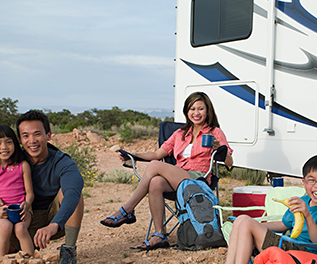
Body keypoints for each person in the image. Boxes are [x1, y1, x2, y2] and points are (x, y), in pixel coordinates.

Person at [100, 92, 233, 250]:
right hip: (179, 178)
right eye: (192, 108)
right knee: (155, 182)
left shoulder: (215, 132)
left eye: (200, 108)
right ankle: (160, 234)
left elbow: (230, 163)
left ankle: (127, 210)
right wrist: (134, 156)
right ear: (186, 111)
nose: (196, 112)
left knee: (155, 165)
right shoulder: (179, 134)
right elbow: (157, 154)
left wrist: (220, 149)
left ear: (207, 111)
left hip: (198, 179)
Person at [0, 110, 84, 264]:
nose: (32, 140)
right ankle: (25, 254)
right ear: (19, 139)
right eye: (25, 136)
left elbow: (73, 191)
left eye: (37, 134)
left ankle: (68, 251)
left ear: (48, 135)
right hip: (23, 216)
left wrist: (54, 225)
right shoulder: (12, 159)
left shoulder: (62, 162)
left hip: (53, 217)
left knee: (73, 195)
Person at [0, 124, 35, 260]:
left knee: (20, 229)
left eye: (8, 142)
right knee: (5, 227)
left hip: (22, 209)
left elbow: (30, 192)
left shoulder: (22, 165)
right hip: (1, 210)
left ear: (15, 144)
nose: (4, 147)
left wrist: (27, 204)